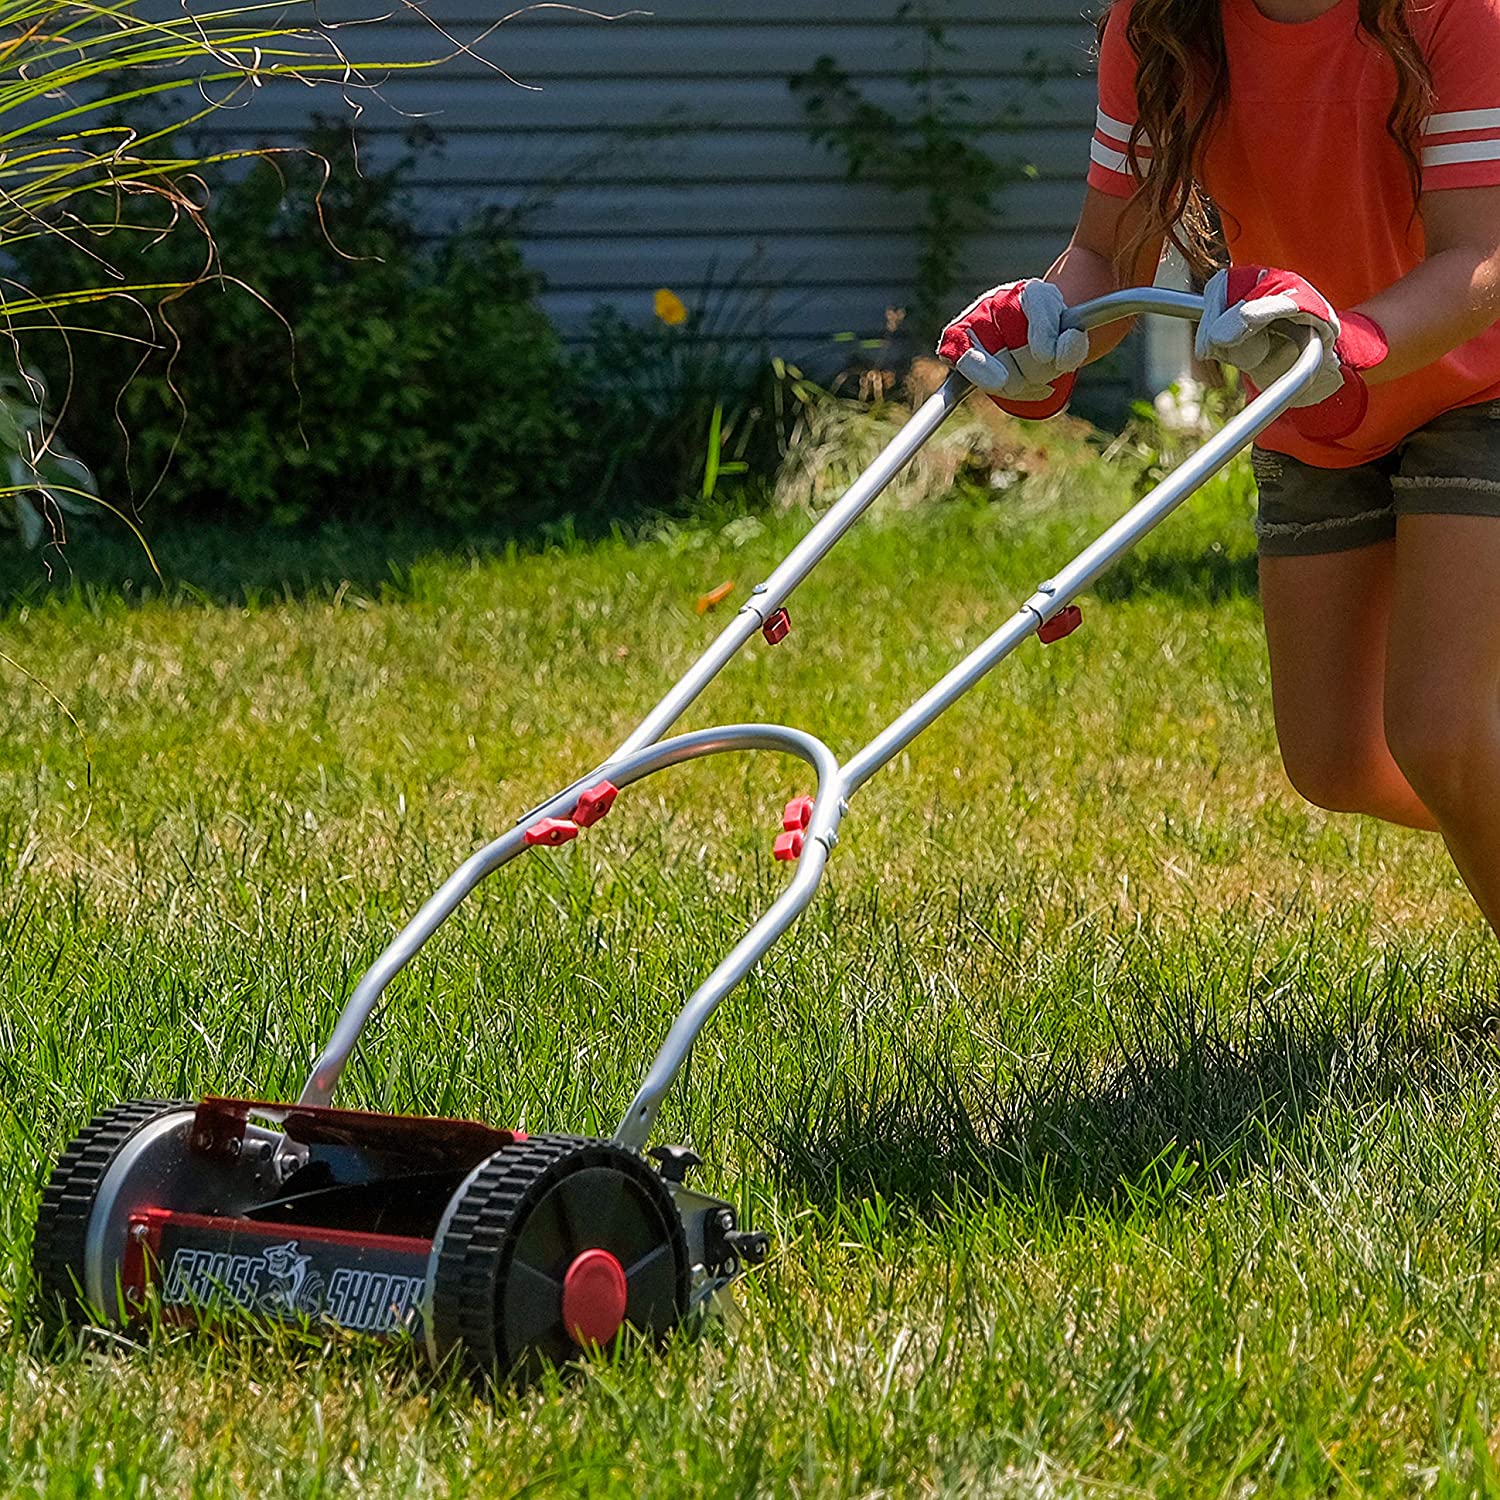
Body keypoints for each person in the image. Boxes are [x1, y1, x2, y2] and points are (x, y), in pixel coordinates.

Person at [939, 0, 1500, 929]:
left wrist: (1345, 342)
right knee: (1336, 760)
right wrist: (1045, 333)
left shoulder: (1455, 13)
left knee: (1441, 732)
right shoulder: (1162, 23)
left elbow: (1482, 257)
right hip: (1308, 398)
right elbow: (1105, 254)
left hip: (1473, 379)